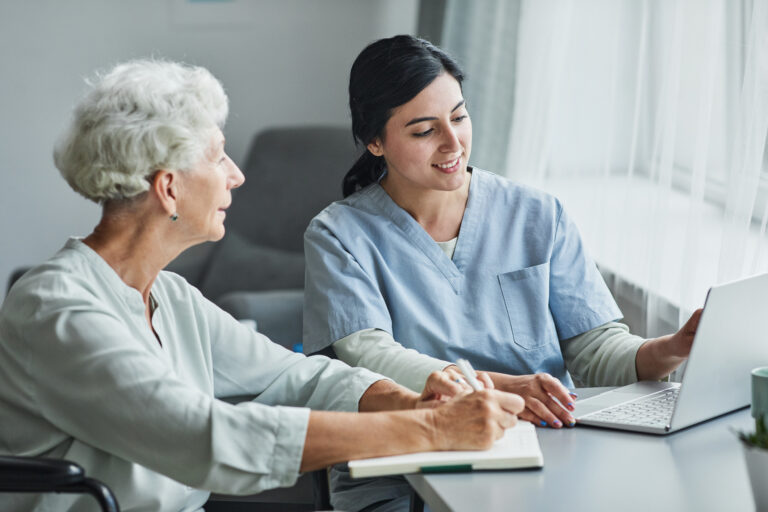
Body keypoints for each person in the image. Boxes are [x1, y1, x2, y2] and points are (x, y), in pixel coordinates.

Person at [0, 59, 525, 512]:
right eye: (218, 155)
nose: (236, 175)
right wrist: (434, 431)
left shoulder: (170, 298)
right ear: (169, 187)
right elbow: (209, 438)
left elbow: (300, 378)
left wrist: (409, 402)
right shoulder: (56, 309)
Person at [302, 35, 702, 510]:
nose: (453, 143)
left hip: (543, 456)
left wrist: (671, 348)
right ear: (375, 141)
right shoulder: (338, 235)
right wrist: (508, 386)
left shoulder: (537, 214)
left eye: (459, 116)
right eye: (423, 130)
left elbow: (595, 350)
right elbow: (373, 358)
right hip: (402, 471)